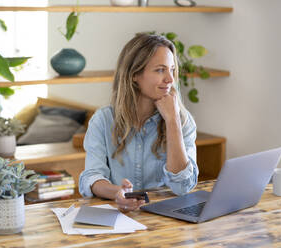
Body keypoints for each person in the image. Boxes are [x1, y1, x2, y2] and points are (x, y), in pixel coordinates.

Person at [79, 33, 198, 212]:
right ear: (135, 74)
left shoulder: (181, 120)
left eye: (172, 70)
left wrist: (172, 121)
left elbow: (183, 186)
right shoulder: (103, 120)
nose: (170, 79)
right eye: (160, 70)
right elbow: (91, 177)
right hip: (118, 219)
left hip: (166, 220)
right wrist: (118, 192)